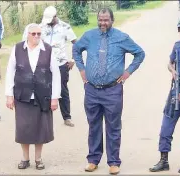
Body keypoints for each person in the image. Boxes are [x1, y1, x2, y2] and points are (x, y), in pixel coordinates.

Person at [72, 8, 145, 174]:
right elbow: (76, 50)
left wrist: (128, 72)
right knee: (94, 126)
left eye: (106, 20)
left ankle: (113, 162)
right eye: (100, 20)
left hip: (112, 90)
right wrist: (82, 69)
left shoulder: (122, 38)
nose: (102, 23)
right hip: (91, 90)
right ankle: (93, 160)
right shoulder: (89, 36)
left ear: (112, 20)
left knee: (113, 127)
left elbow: (139, 53)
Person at [5, 23, 61, 170]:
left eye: (38, 34)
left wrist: (55, 97)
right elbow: (10, 72)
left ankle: (38, 158)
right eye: (33, 34)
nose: (36, 36)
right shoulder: (17, 48)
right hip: (22, 95)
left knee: (40, 128)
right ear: (27, 34)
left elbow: (56, 74)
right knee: (23, 128)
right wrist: (9, 95)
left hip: (43, 96)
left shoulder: (48, 50)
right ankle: (25, 158)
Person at [149, 14, 180, 174]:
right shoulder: (177, 46)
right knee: (166, 127)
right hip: (175, 91)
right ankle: (164, 160)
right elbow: (169, 63)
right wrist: (173, 71)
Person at [22, 6, 77, 127]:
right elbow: (30, 41)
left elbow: (75, 43)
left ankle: (67, 117)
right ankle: (42, 116)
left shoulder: (65, 27)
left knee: (62, 90)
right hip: (43, 64)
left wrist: (73, 59)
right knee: (41, 89)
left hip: (61, 64)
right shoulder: (40, 27)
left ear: (55, 17)